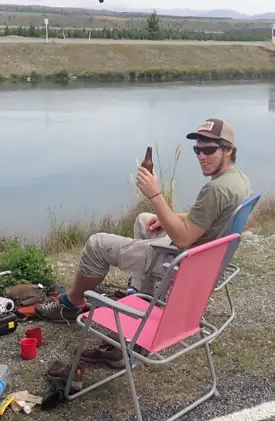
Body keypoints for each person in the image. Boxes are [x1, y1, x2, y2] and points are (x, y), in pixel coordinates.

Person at [34, 118, 253, 332]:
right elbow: (211, 215)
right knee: (145, 221)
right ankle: (142, 294)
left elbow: (183, 239)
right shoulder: (238, 180)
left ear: (228, 150)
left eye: (209, 149)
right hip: (205, 258)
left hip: (182, 263)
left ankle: (72, 303)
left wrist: (155, 195)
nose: (202, 156)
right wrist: (173, 216)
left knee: (96, 244)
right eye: (198, 150)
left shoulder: (215, 189)